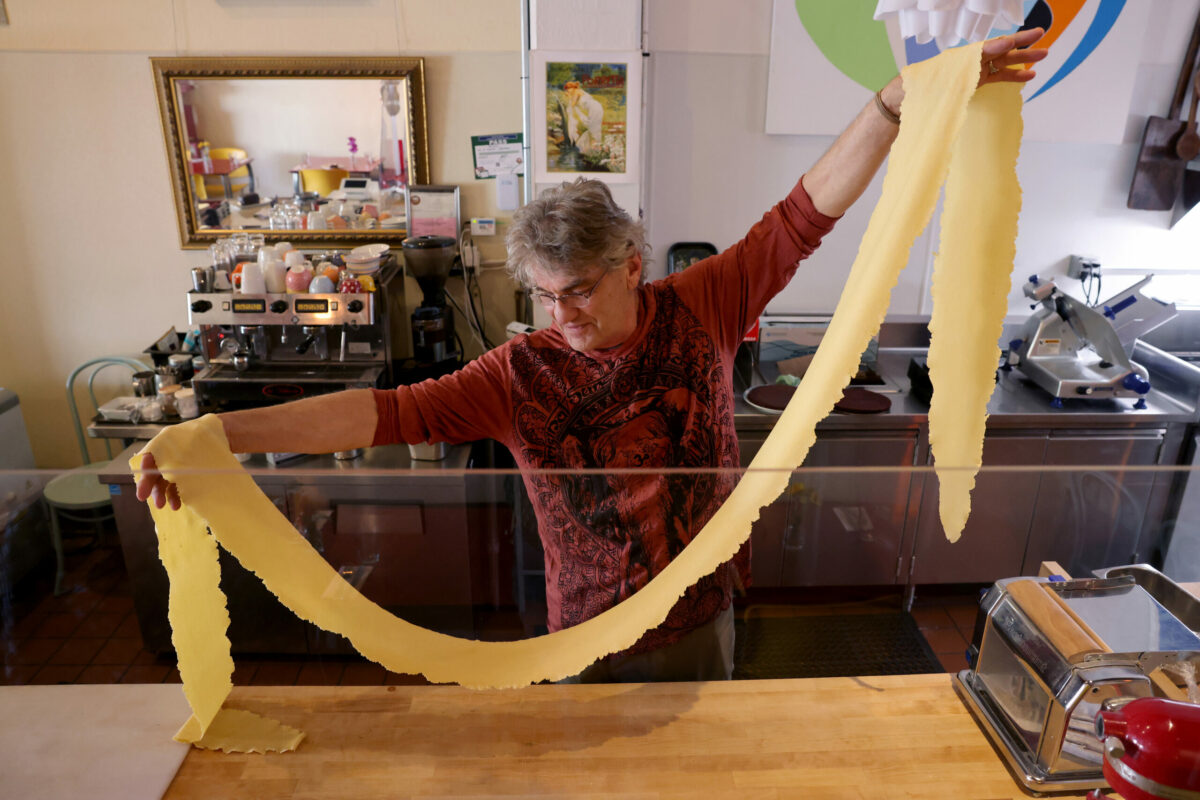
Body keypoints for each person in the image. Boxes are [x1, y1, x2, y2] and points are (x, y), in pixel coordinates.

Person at [139, 31, 1047, 682]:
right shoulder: (517, 372)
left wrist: (893, 104)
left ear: (632, 267)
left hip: (701, 612)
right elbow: (384, 412)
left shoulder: (704, 305)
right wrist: (222, 433)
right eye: (543, 294)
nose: (561, 315)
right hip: (586, 633)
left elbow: (804, 214)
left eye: (579, 290)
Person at [561, 80, 606, 155]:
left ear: (573, 88)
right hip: (595, 108)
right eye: (566, 89)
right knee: (593, 129)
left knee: (593, 129)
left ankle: (595, 150)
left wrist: (569, 96)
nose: (568, 91)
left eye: (569, 89)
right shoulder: (576, 93)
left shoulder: (576, 92)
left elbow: (572, 104)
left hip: (594, 108)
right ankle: (594, 150)